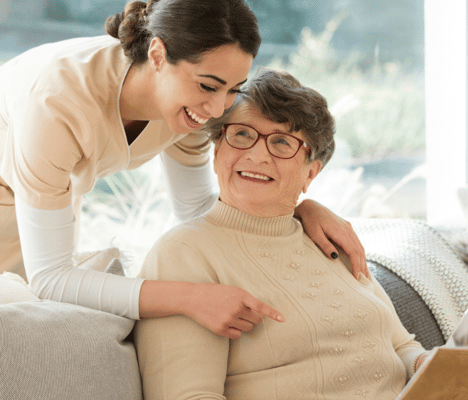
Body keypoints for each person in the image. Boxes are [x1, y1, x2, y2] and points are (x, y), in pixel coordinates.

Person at [0, 0, 367, 339]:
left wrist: (296, 209)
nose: (218, 108)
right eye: (208, 86)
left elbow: (196, 210)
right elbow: (52, 278)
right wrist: (191, 298)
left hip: (38, 199)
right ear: (157, 55)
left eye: (233, 90)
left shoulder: (185, 111)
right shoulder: (58, 103)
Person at [134, 68, 429, 399]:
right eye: (242, 134)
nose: (258, 155)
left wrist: (427, 364)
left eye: (281, 142)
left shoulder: (329, 240)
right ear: (217, 152)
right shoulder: (183, 254)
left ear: (310, 173)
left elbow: (403, 346)